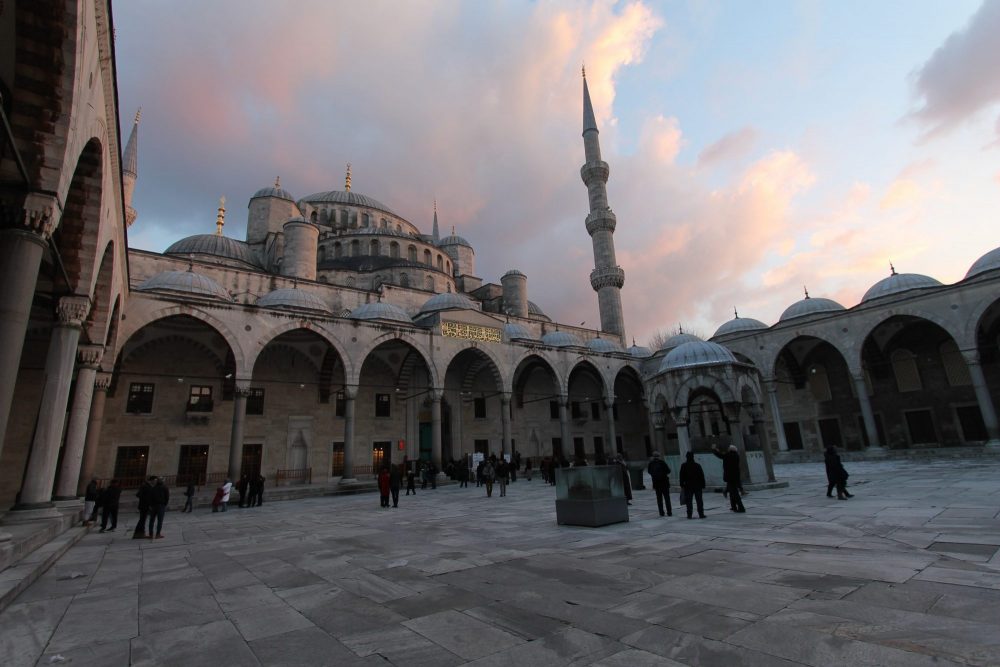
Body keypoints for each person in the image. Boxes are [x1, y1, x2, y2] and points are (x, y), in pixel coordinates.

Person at [713, 445, 745, 513]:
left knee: (735, 493)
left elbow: (720, 455)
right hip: (735, 477)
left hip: (730, 477)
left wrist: (715, 450)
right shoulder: (736, 455)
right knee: (732, 492)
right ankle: (733, 507)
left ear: (730, 450)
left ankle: (741, 508)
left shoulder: (728, 455)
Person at [678, 452, 706, 519]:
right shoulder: (697, 465)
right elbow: (701, 476)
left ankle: (689, 515)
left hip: (688, 486)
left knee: (689, 501)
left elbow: (681, 476)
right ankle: (701, 514)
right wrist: (703, 485)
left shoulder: (684, 466)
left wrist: (682, 484)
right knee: (699, 500)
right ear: (693, 457)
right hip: (697, 485)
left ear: (686, 457)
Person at [647, 451, 672, 517]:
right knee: (667, 498)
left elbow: (649, 471)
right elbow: (668, 471)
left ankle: (661, 512)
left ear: (653, 457)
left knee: (659, 499)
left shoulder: (651, 464)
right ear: (659, 456)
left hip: (656, 484)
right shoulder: (662, 462)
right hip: (664, 483)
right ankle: (669, 512)